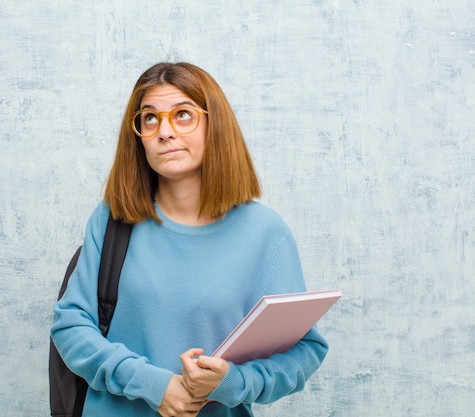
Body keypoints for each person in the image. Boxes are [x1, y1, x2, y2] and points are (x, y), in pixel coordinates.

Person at [51, 62, 328, 417]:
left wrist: (233, 382)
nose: (164, 131)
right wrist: (156, 385)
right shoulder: (113, 218)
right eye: (149, 118)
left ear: (216, 125)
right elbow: (71, 324)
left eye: (183, 114)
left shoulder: (266, 233)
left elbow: (305, 351)